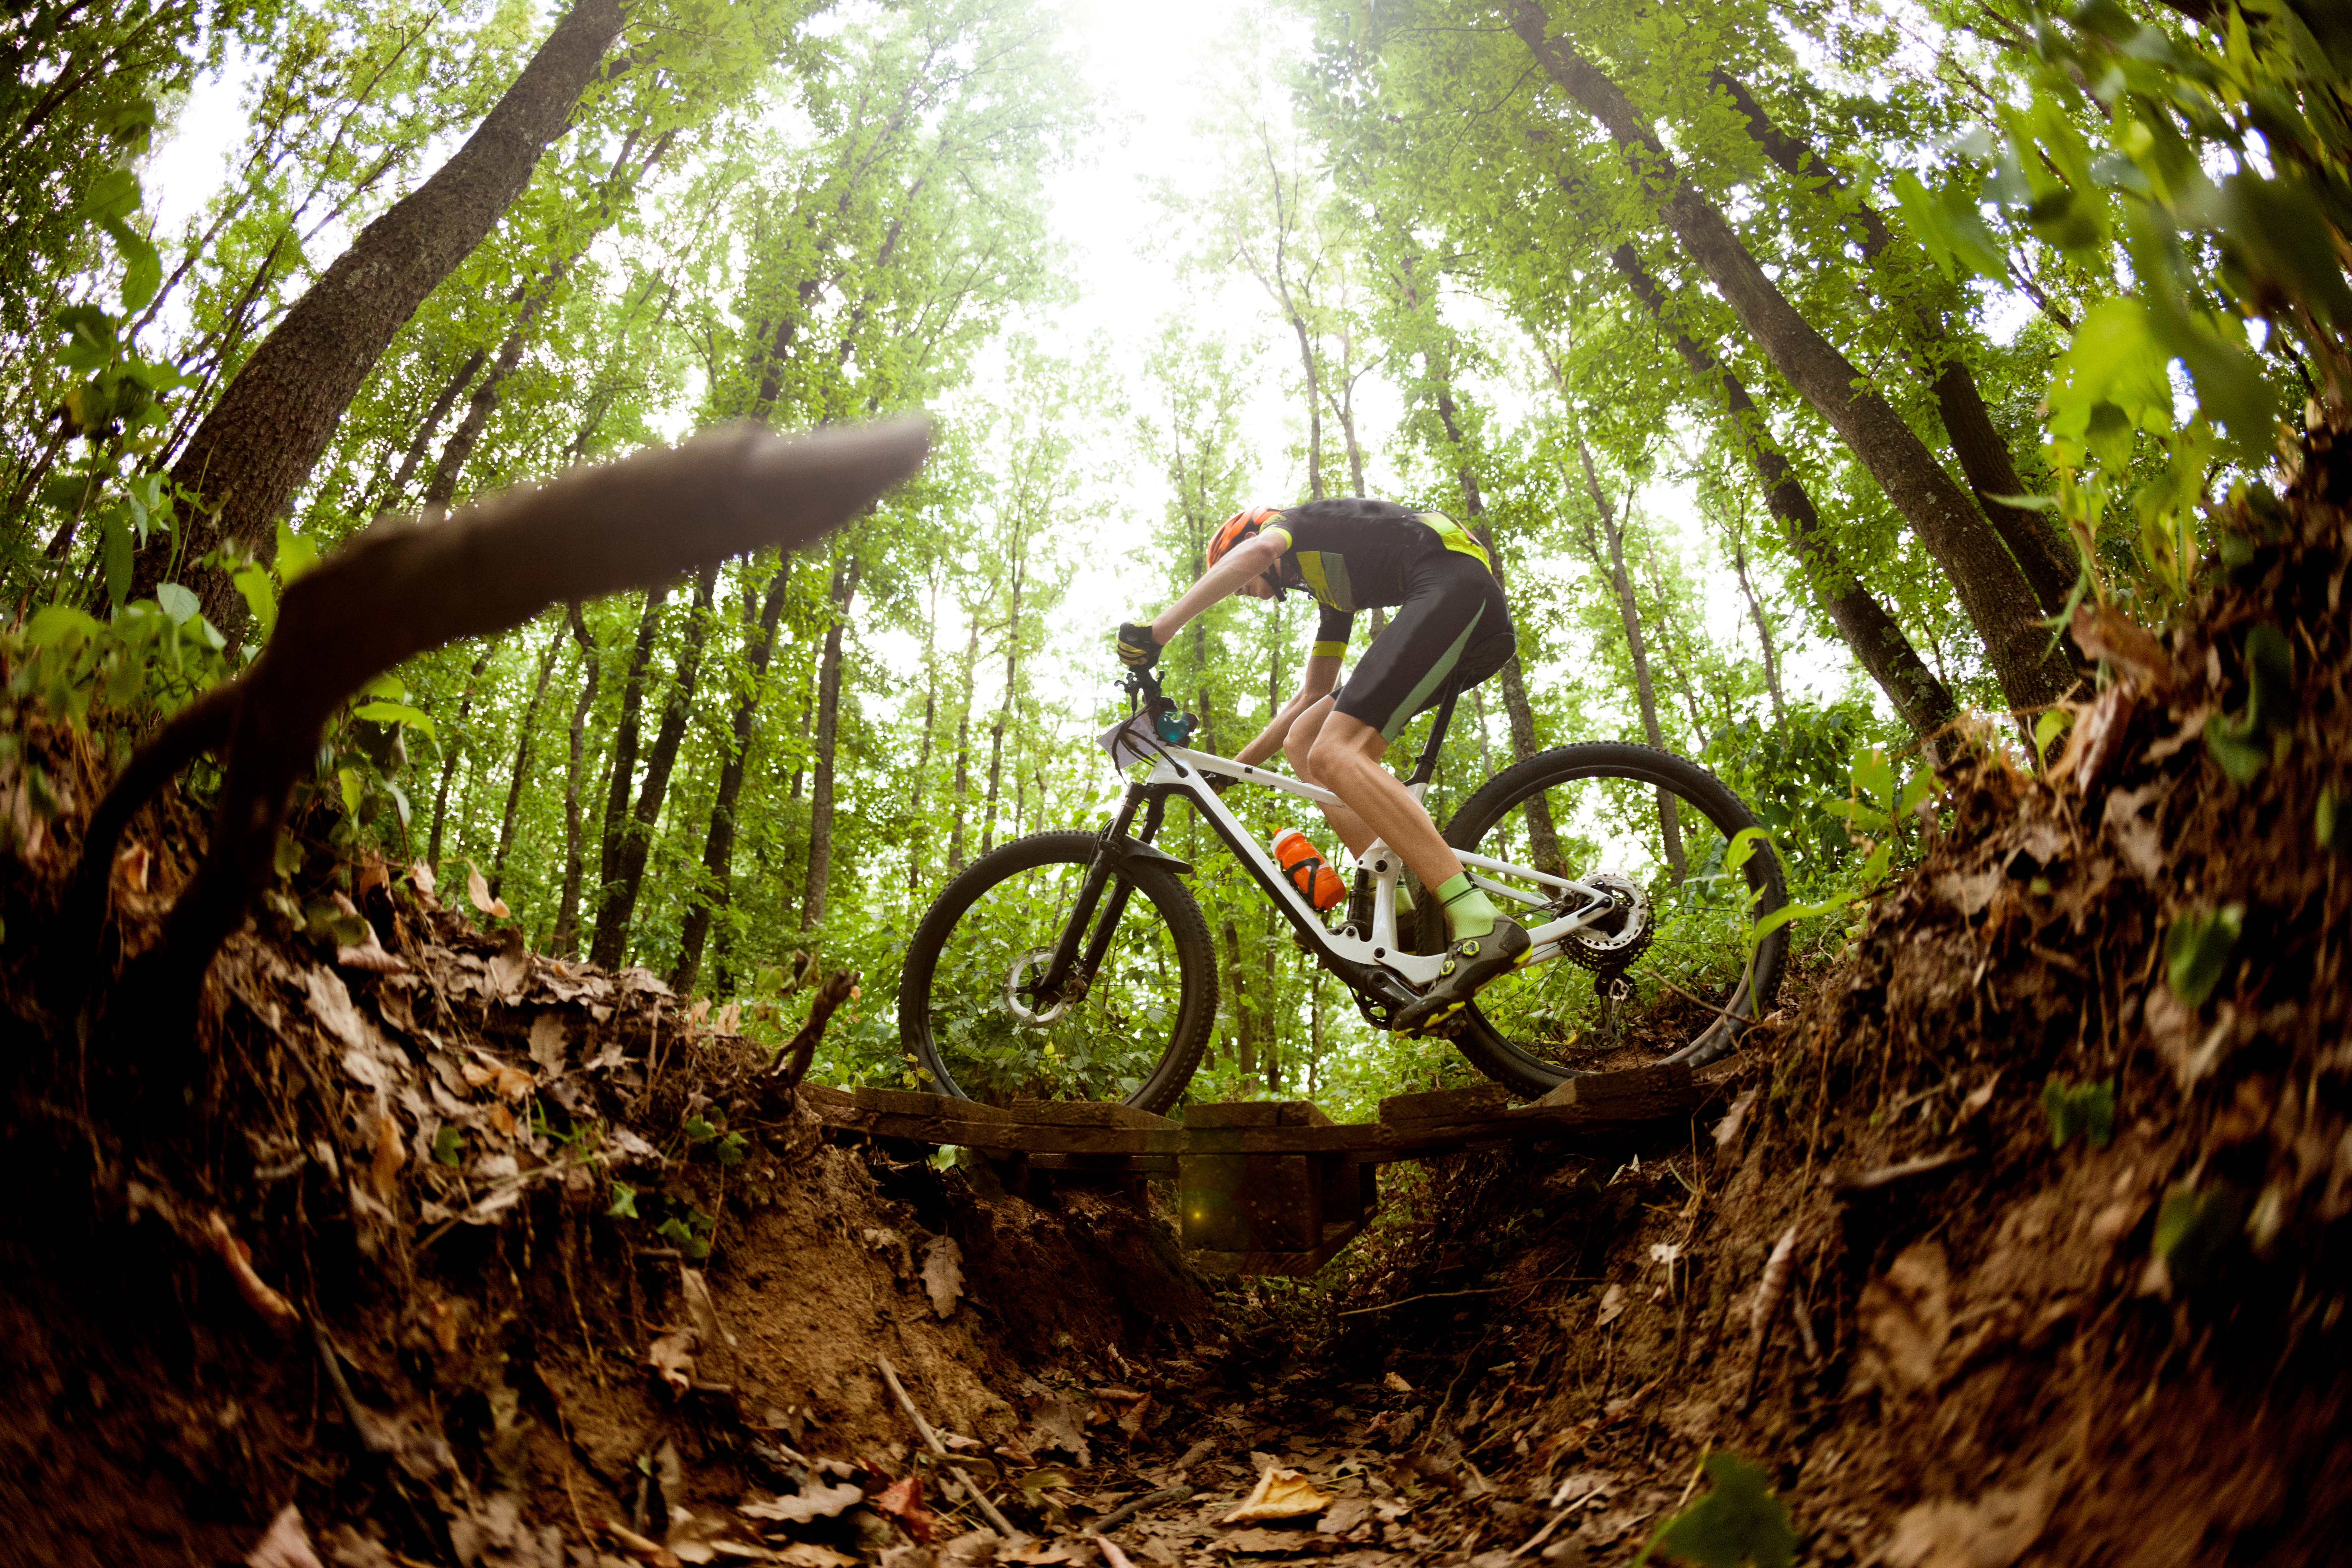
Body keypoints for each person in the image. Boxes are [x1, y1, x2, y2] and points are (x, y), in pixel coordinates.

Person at [1116, 497, 1520, 1037]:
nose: (1241, 589)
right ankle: (1393, 905)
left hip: (1455, 587)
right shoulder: (1334, 593)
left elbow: (1259, 550)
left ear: (1249, 541)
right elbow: (1310, 694)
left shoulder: (1294, 527)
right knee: (1309, 739)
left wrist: (1156, 633)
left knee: (1336, 751)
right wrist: (1227, 771)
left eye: (1234, 574)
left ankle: (1477, 918)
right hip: (1450, 601)